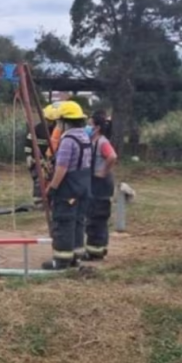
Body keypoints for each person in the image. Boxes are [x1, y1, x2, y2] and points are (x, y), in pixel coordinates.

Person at [42, 100, 92, 270]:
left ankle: (61, 260)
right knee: (78, 221)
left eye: (58, 122)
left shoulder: (68, 140)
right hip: (83, 186)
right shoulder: (85, 136)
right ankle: (75, 257)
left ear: (64, 121)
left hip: (68, 187)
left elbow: (62, 167)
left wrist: (52, 188)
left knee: (63, 222)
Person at [85, 110, 119, 260]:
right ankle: (96, 249)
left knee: (97, 218)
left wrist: (103, 172)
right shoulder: (92, 141)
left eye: (90, 124)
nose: (87, 126)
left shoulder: (102, 142)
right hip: (95, 184)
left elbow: (112, 156)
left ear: (97, 127)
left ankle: (96, 252)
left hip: (101, 185)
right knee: (93, 218)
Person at [25, 105, 59, 205]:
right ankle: (39, 200)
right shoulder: (37, 129)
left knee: (52, 178)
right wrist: (28, 156)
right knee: (38, 178)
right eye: (48, 120)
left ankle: (50, 199)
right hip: (38, 159)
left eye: (51, 121)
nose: (49, 123)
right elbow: (28, 143)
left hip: (52, 159)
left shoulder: (57, 130)